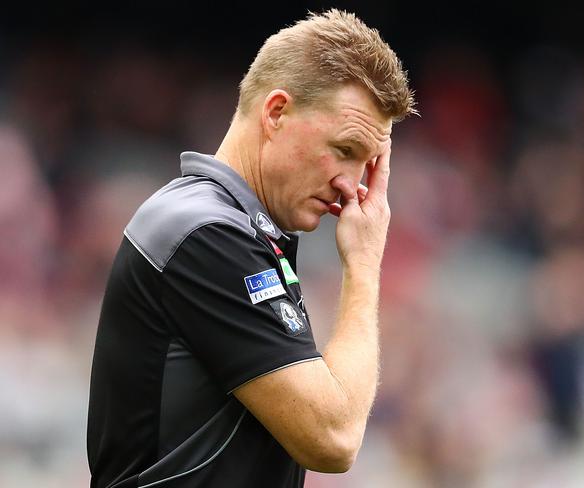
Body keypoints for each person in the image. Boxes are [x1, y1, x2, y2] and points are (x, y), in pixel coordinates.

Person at [87, 8, 415, 488]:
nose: (351, 186)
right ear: (276, 112)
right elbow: (334, 438)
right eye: (344, 150)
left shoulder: (225, 226)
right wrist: (363, 267)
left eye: (366, 165)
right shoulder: (207, 234)